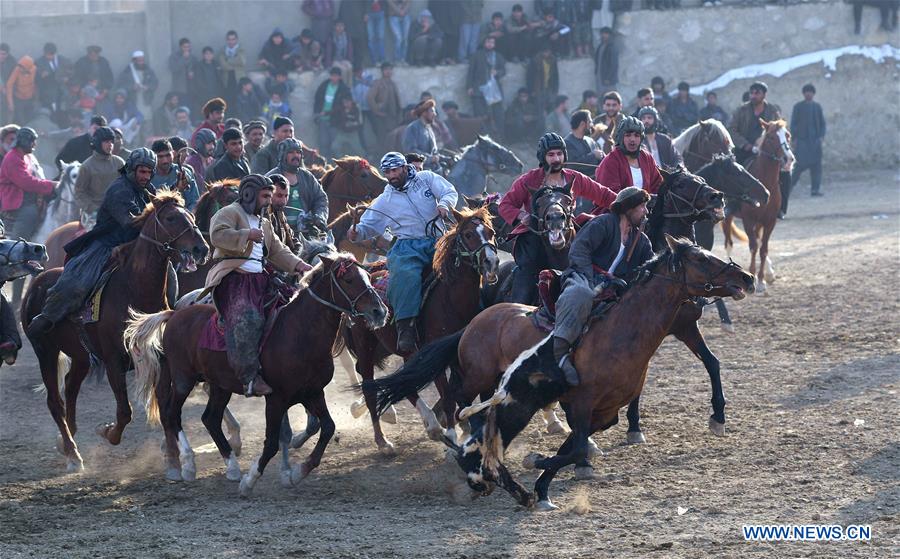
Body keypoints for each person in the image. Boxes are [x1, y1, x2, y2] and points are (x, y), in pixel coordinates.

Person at [27, 149, 159, 336]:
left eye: (148, 172)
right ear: (131, 170)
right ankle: (48, 316)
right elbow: (131, 222)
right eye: (142, 171)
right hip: (107, 245)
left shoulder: (148, 190)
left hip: (136, 245)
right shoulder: (119, 190)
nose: (145, 176)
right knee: (76, 282)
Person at [204, 174, 312, 396]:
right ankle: (249, 377)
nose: (269, 201)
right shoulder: (229, 212)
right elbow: (217, 235)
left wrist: (300, 265)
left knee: (291, 308)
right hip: (234, 278)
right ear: (248, 194)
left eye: (270, 196)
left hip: (261, 279)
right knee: (247, 319)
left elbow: (276, 250)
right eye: (265, 196)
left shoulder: (264, 222)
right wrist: (246, 234)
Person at [348, 152, 457, 353]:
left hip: (438, 240)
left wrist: (444, 205)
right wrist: (356, 233)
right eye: (387, 172)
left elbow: (449, 191)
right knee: (405, 276)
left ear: (405, 167)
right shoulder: (384, 199)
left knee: (466, 262)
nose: (391, 176)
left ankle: (481, 305)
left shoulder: (427, 179)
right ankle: (405, 327)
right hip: (407, 247)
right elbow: (368, 226)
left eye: (394, 170)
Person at [498, 133, 617, 304]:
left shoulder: (574, 178)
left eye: (559, 154)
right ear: (543, 157)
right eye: (551, 155)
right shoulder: (529, 179)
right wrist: (521, 215)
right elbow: (505, 205)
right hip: (536, 241)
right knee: (525, 280)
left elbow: (604, 195)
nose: (556, 159)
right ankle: (517, 309)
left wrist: (627, 203)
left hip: (566, 235)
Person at [552, 187, 653, 385]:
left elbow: (650, 267)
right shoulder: (603, 223)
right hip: (584, 276)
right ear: (628, 208)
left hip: (614, 288)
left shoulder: (641, 241)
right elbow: (579, 250)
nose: (646, 211)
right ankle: (560, 353)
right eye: (642, 206)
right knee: (580, 294)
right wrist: (592, 278)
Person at [264, 138, 329, 237]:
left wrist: (320, 217)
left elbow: (321, 199)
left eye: (298, 152)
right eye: (291, 152)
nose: (296, 155)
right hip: (277, 233)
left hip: (305, 233)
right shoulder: (270, 178)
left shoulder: (307, 177)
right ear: (283, 155)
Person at [595, 116, 662, 194]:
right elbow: (610, 195)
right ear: (621, 137)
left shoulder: (647, 158)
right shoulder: (611, 161)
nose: (632, 139)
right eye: (628, 135)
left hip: (646, 206)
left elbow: (657, 186)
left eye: (636, 135)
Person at [728, 81, 781, 167]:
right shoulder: (741, 110)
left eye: (757, 93)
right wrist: (746, 145)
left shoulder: (772, 111)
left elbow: (780, 130)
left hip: (767, 152)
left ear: (764, 95)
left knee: (784, 174)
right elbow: (731, 130)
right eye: (751, 93)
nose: (753, 96)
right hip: (743, 151)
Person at [74, 126, 124, 218]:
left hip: (118, 211)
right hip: (94, 216)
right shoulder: (86, 166)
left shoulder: (119, 163)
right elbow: (79, 193)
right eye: (106, 142)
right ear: (97, 143)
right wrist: (93, 209)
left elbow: (128, 185)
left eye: (111, 142)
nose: (110, 145)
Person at [790, 84, 826, 198]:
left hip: (815, 142)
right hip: (802, 142)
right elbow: (793, 123)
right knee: (797, 167)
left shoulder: (817, 107)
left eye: (810, 92)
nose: (808, 94)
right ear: (803, 93)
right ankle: (787, 188)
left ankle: (815, 190)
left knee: (816, 167)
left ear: (813, 94)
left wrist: (820, 137)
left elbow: (822, 124)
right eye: (806, 92)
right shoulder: (798, 107)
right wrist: (794, 139)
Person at [467, 35, 506, 137]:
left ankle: (498, 138)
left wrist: (497, 72)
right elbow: (471, 72)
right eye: (488, 42)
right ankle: (481, 138)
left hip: (494, 90)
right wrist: (469, 87)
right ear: (484, 43)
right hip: (479, 89)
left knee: (498, 114)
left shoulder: (498, 56)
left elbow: (503, 70)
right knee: (480, 115)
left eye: (492, 42)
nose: (490, 44)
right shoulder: (476, 55)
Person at [149, 138, 200, 211]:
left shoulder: (184, 173)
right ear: (154, 157)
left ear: (173, 154)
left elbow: (194, 202)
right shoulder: (148, 176)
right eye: (160, 157)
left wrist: (187, 216)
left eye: (168, 155)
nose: (165, 160)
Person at [314, 68, 351, 158]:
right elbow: (317, 99)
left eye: (336, 76)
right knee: (323, 143)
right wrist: (317, 113)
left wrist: (331, 113)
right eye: (332, 76)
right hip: (322, 119)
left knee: (335, 144)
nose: (334, 78)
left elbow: (346, 104)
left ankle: (335, 162)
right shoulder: (324, 85)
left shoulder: (343, 89)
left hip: (335, 120)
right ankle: (324, 162)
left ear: (339, 77)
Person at [367, 62, 402, 148]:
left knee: (393, 138)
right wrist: (376, 111)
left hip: (393, 116)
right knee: (382, 138)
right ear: (382, 71)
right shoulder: (378, 83)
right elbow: (369, 97)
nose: (388, 71)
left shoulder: (393, 84)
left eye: (390, 69)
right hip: (382, 116)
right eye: (386, 69)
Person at [401, 99, 439, 171]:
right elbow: (410, 151)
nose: (435, 114)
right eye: (432, 111)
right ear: (424, 113)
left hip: (433, 169)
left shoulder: (429, 128)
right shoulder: (412, 128)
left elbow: (435, 152)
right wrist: (430, 159)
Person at [267, 173, 300, 254]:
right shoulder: (262, 216)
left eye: (286, 196)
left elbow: (292, 239)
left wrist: (299, 250)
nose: (283, 201)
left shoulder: (280, 214)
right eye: (279, 195)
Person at [565, 109, 605, 176]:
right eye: (590, 122)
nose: (592, 125)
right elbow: (573, 165)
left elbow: (601, 161)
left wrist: (602, 156)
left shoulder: (591, 141)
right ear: (582, 124)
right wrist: (593, 156)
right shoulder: (567, 143)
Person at [35, 42, 71, 112]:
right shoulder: (39, 62)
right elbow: (36, 78)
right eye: (47, 54)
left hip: (62, 91)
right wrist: (41, 76)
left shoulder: (63, 60)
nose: (49, 57)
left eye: (51, 55)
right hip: (48, 93)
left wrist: (67, 78)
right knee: (50, 111)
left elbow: (71, 71)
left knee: (62, 110)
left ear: (55, 53)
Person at [526, 47, 559, 115]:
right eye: (545, 52)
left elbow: (555, 76)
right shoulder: (535, 60)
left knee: (552, 109)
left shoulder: (552, 60)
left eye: (548, 52)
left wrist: (555, 89)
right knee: (539, 111)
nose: (547, 54)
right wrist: (531, 90)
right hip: (538, 89)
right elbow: (530, 77)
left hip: (550, 88)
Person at [218, 30, 247, 106]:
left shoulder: (241, 49)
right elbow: (223, 66)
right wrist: (235, 64)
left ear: (236, 39)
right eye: (229, 39)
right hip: (227, 79)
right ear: (226, 40)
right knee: (229, 100)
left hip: (239, 78)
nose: (231, 42)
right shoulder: (222, 50)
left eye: (233, 39)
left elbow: (242, 61)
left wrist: (228, 59)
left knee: (240, 100)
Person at [6, 55, 37, 125]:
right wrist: (10, 103)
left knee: (30, 118)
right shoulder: (17, 70)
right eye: (20, 66)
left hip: (30, 98)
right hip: (19, 98)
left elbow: (36, 83)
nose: (20, 69)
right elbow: (9, 85)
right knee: (20, 120)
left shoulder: (34, 69)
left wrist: (36, 98)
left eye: (22, 67)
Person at [192, 47, 222, 116]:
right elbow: (198, 80)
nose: (208, 55)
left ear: (213, 55)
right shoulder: (199, 65)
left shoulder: (216, 64)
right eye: (206, 54)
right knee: (206, 111)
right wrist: (204, 90)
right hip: (204, 93)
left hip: (215, 92)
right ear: (203, 55)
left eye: (210, 54)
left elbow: (219, 79)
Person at [168, 38, 197, 106]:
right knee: (182, 106)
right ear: (180, 47)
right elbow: (173, 69)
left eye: (188, 47)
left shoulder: (193, 57)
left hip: (191, 87)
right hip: (180, 88)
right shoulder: (174, 57)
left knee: (191, 106)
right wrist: (183, 58)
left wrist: (193, 73)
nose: (187, 49)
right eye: (185, 47)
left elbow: (197, 68)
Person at [594, 26, 619, 93]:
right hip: (600, 76)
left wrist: (608, 78)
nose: (603, 35)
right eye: (602, 33)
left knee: (611, 96)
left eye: (606, 34)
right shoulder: (601, 46)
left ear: (609, 35)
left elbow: (613, 64)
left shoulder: (612, 47)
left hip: (608, 79)